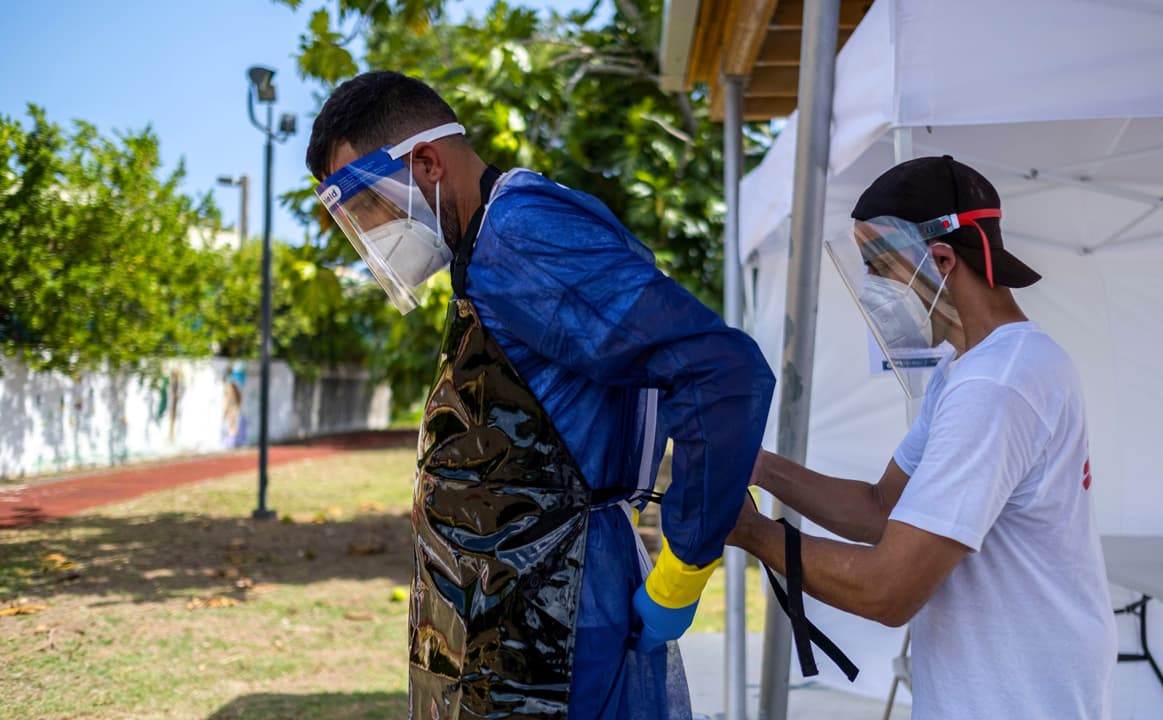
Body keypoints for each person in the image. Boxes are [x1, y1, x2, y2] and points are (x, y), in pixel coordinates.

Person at [306, 71, 774, 720]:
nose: (374, 232)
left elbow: (721, 371)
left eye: (369, 208)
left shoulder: (520, 234)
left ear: (426, 162)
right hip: (510, 620)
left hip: (563, 621)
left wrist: (681, 573)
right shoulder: (485, 247)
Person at [728, 156, 1117, 720]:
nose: (871, 291)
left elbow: (891, 589)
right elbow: (882, 507)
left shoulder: (996, 385)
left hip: (1019, 699)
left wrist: (751, 532)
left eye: (878, 268)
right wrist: (757, 465)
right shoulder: (967, 372)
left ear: (940, 260)